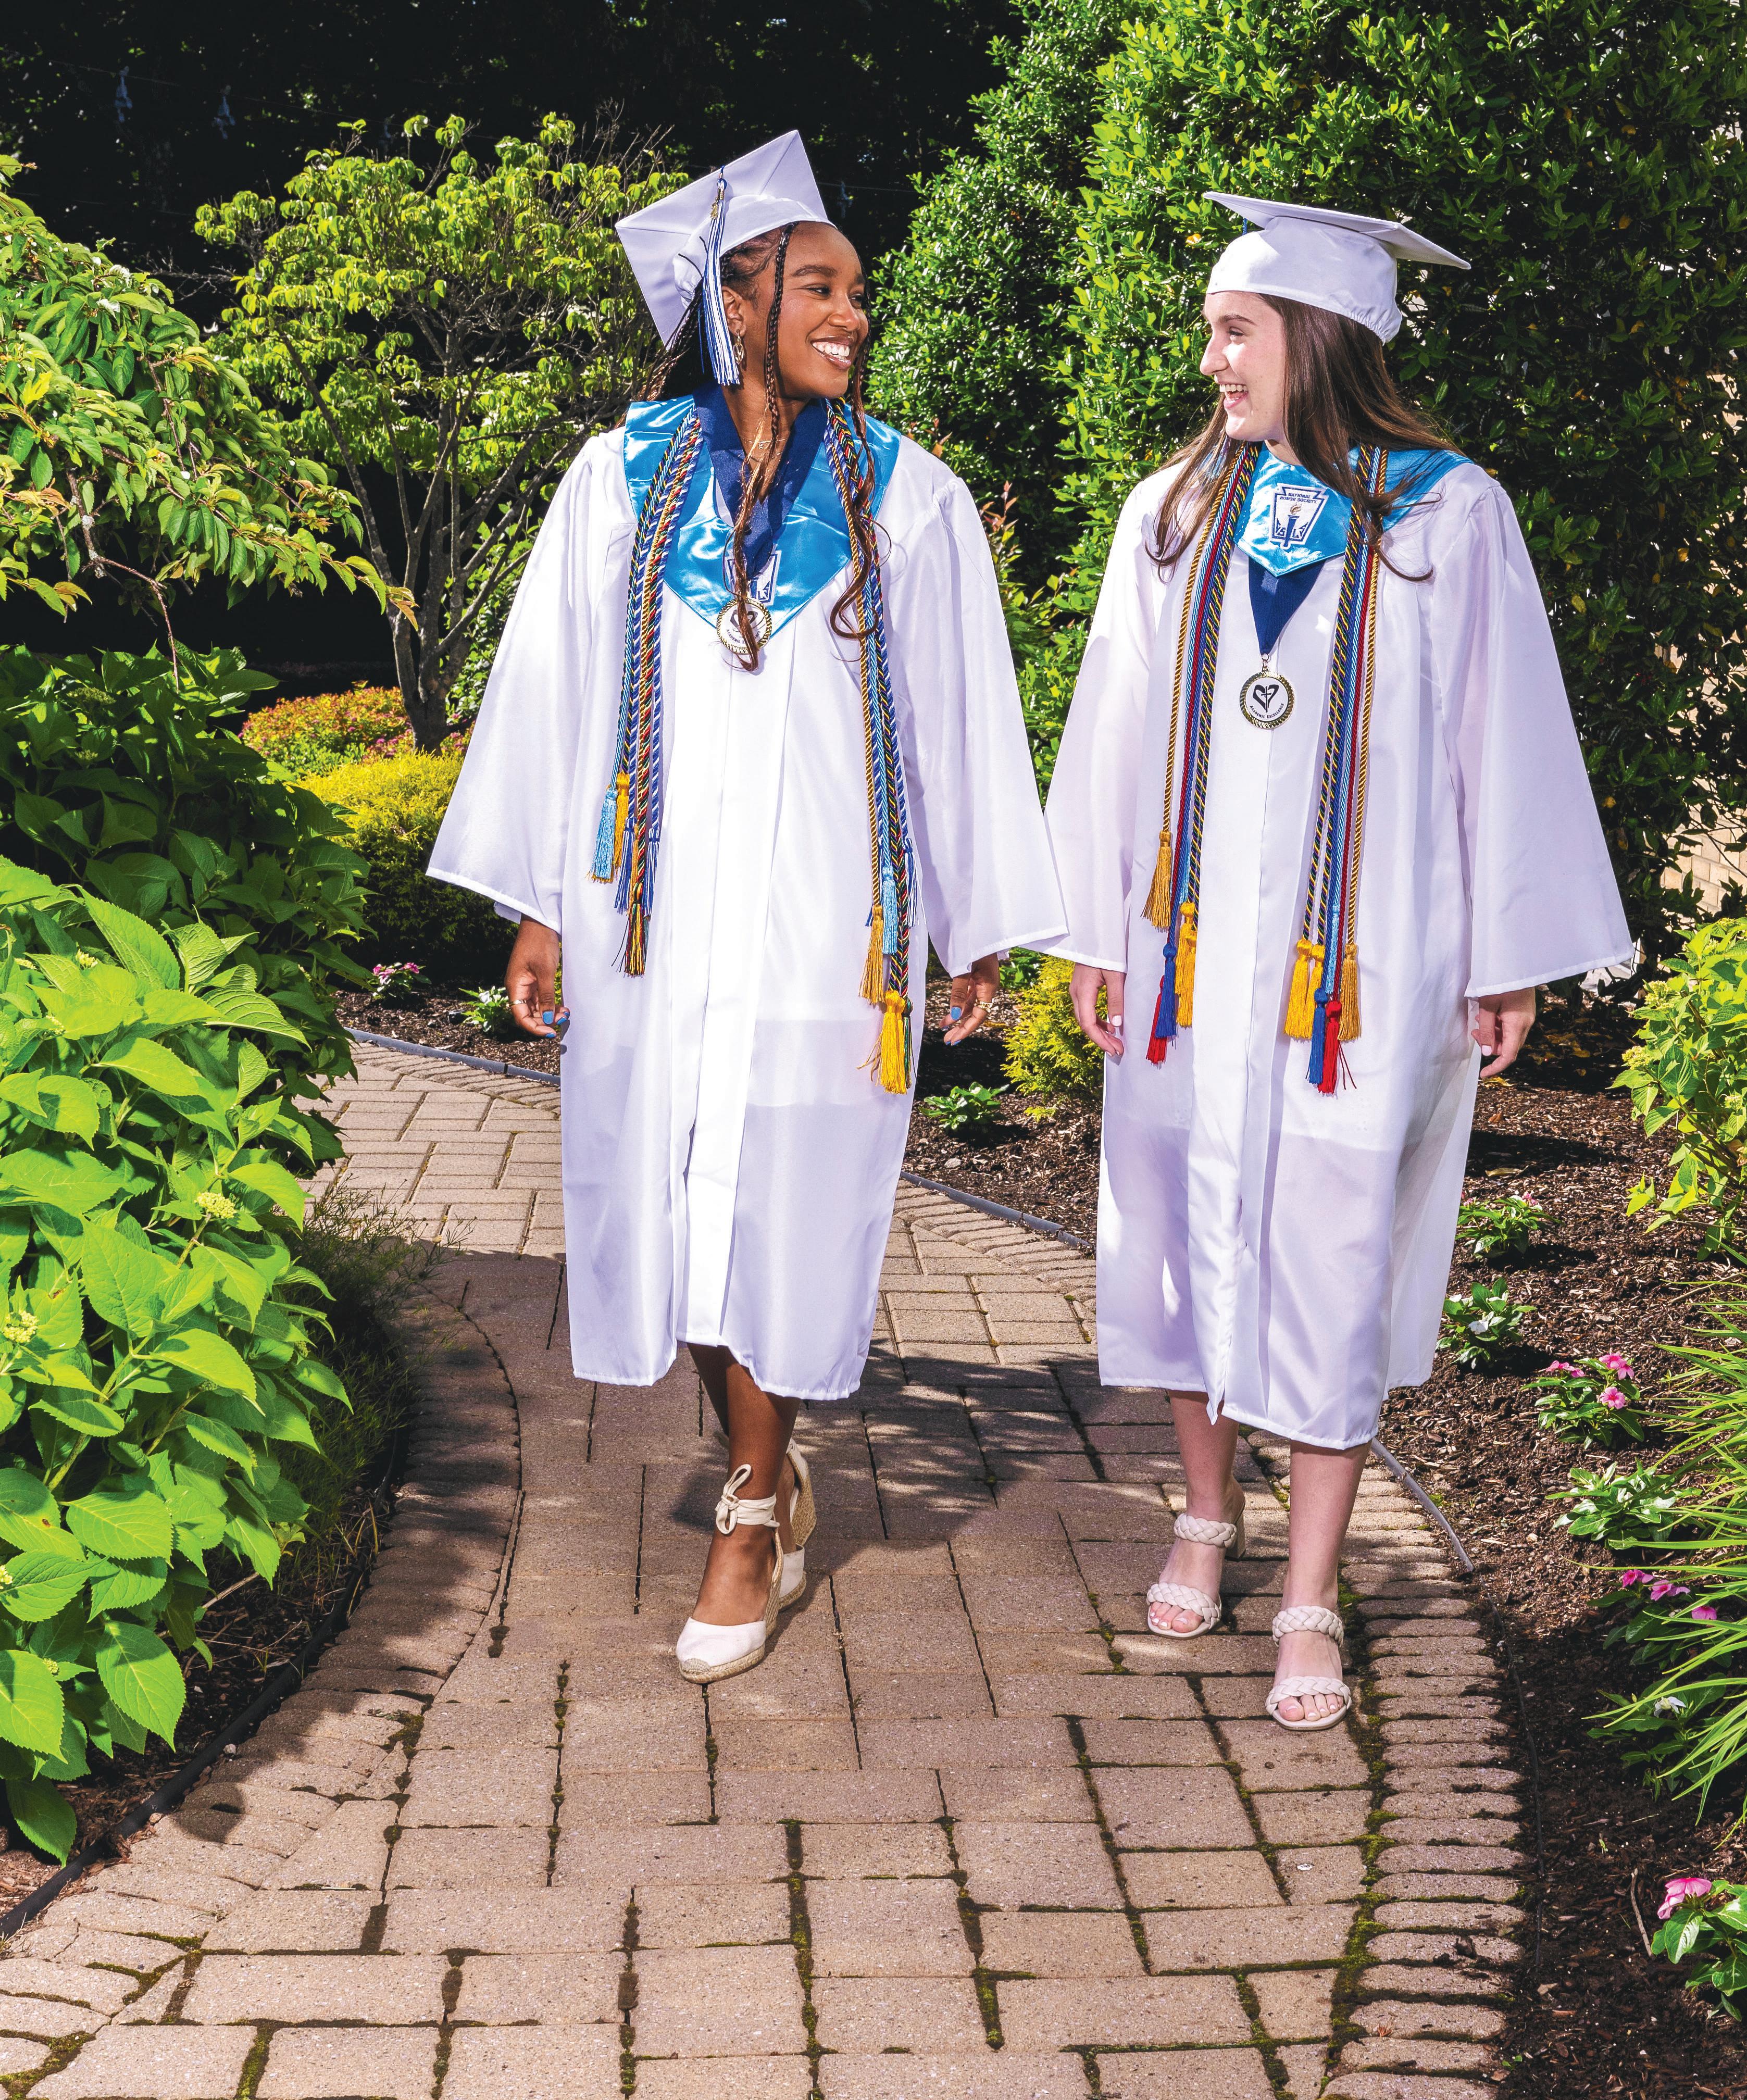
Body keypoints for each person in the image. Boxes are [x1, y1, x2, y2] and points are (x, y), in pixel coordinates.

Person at [428, 133, 1064, 1686]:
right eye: (819, 286)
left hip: (822, 919)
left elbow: (960, 716)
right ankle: (760, 1464)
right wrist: (539, 906)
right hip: (647, 916)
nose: (853, 312)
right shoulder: (619, 479)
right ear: (735, 303)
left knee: (778, 1193)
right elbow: (554, 688)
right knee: (673, 1197)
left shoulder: (909, 497)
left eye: (857, 289)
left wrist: (970, 918)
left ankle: (752, 1509)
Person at [1044, 194, 1632, 1730]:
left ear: (1315, 338)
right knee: (1175, 1226)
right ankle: (1201, 1514)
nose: (1211, 360)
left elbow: (1502, 738)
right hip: (1185, 960)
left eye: (1234, 331)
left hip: (1357, 969)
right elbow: (1113, 723)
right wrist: (1094, 928)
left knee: (1334, 1247)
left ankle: (1309, 1588)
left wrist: (1506, 955)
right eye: (1211, 331)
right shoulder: (1175, 511)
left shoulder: (1447, 517)